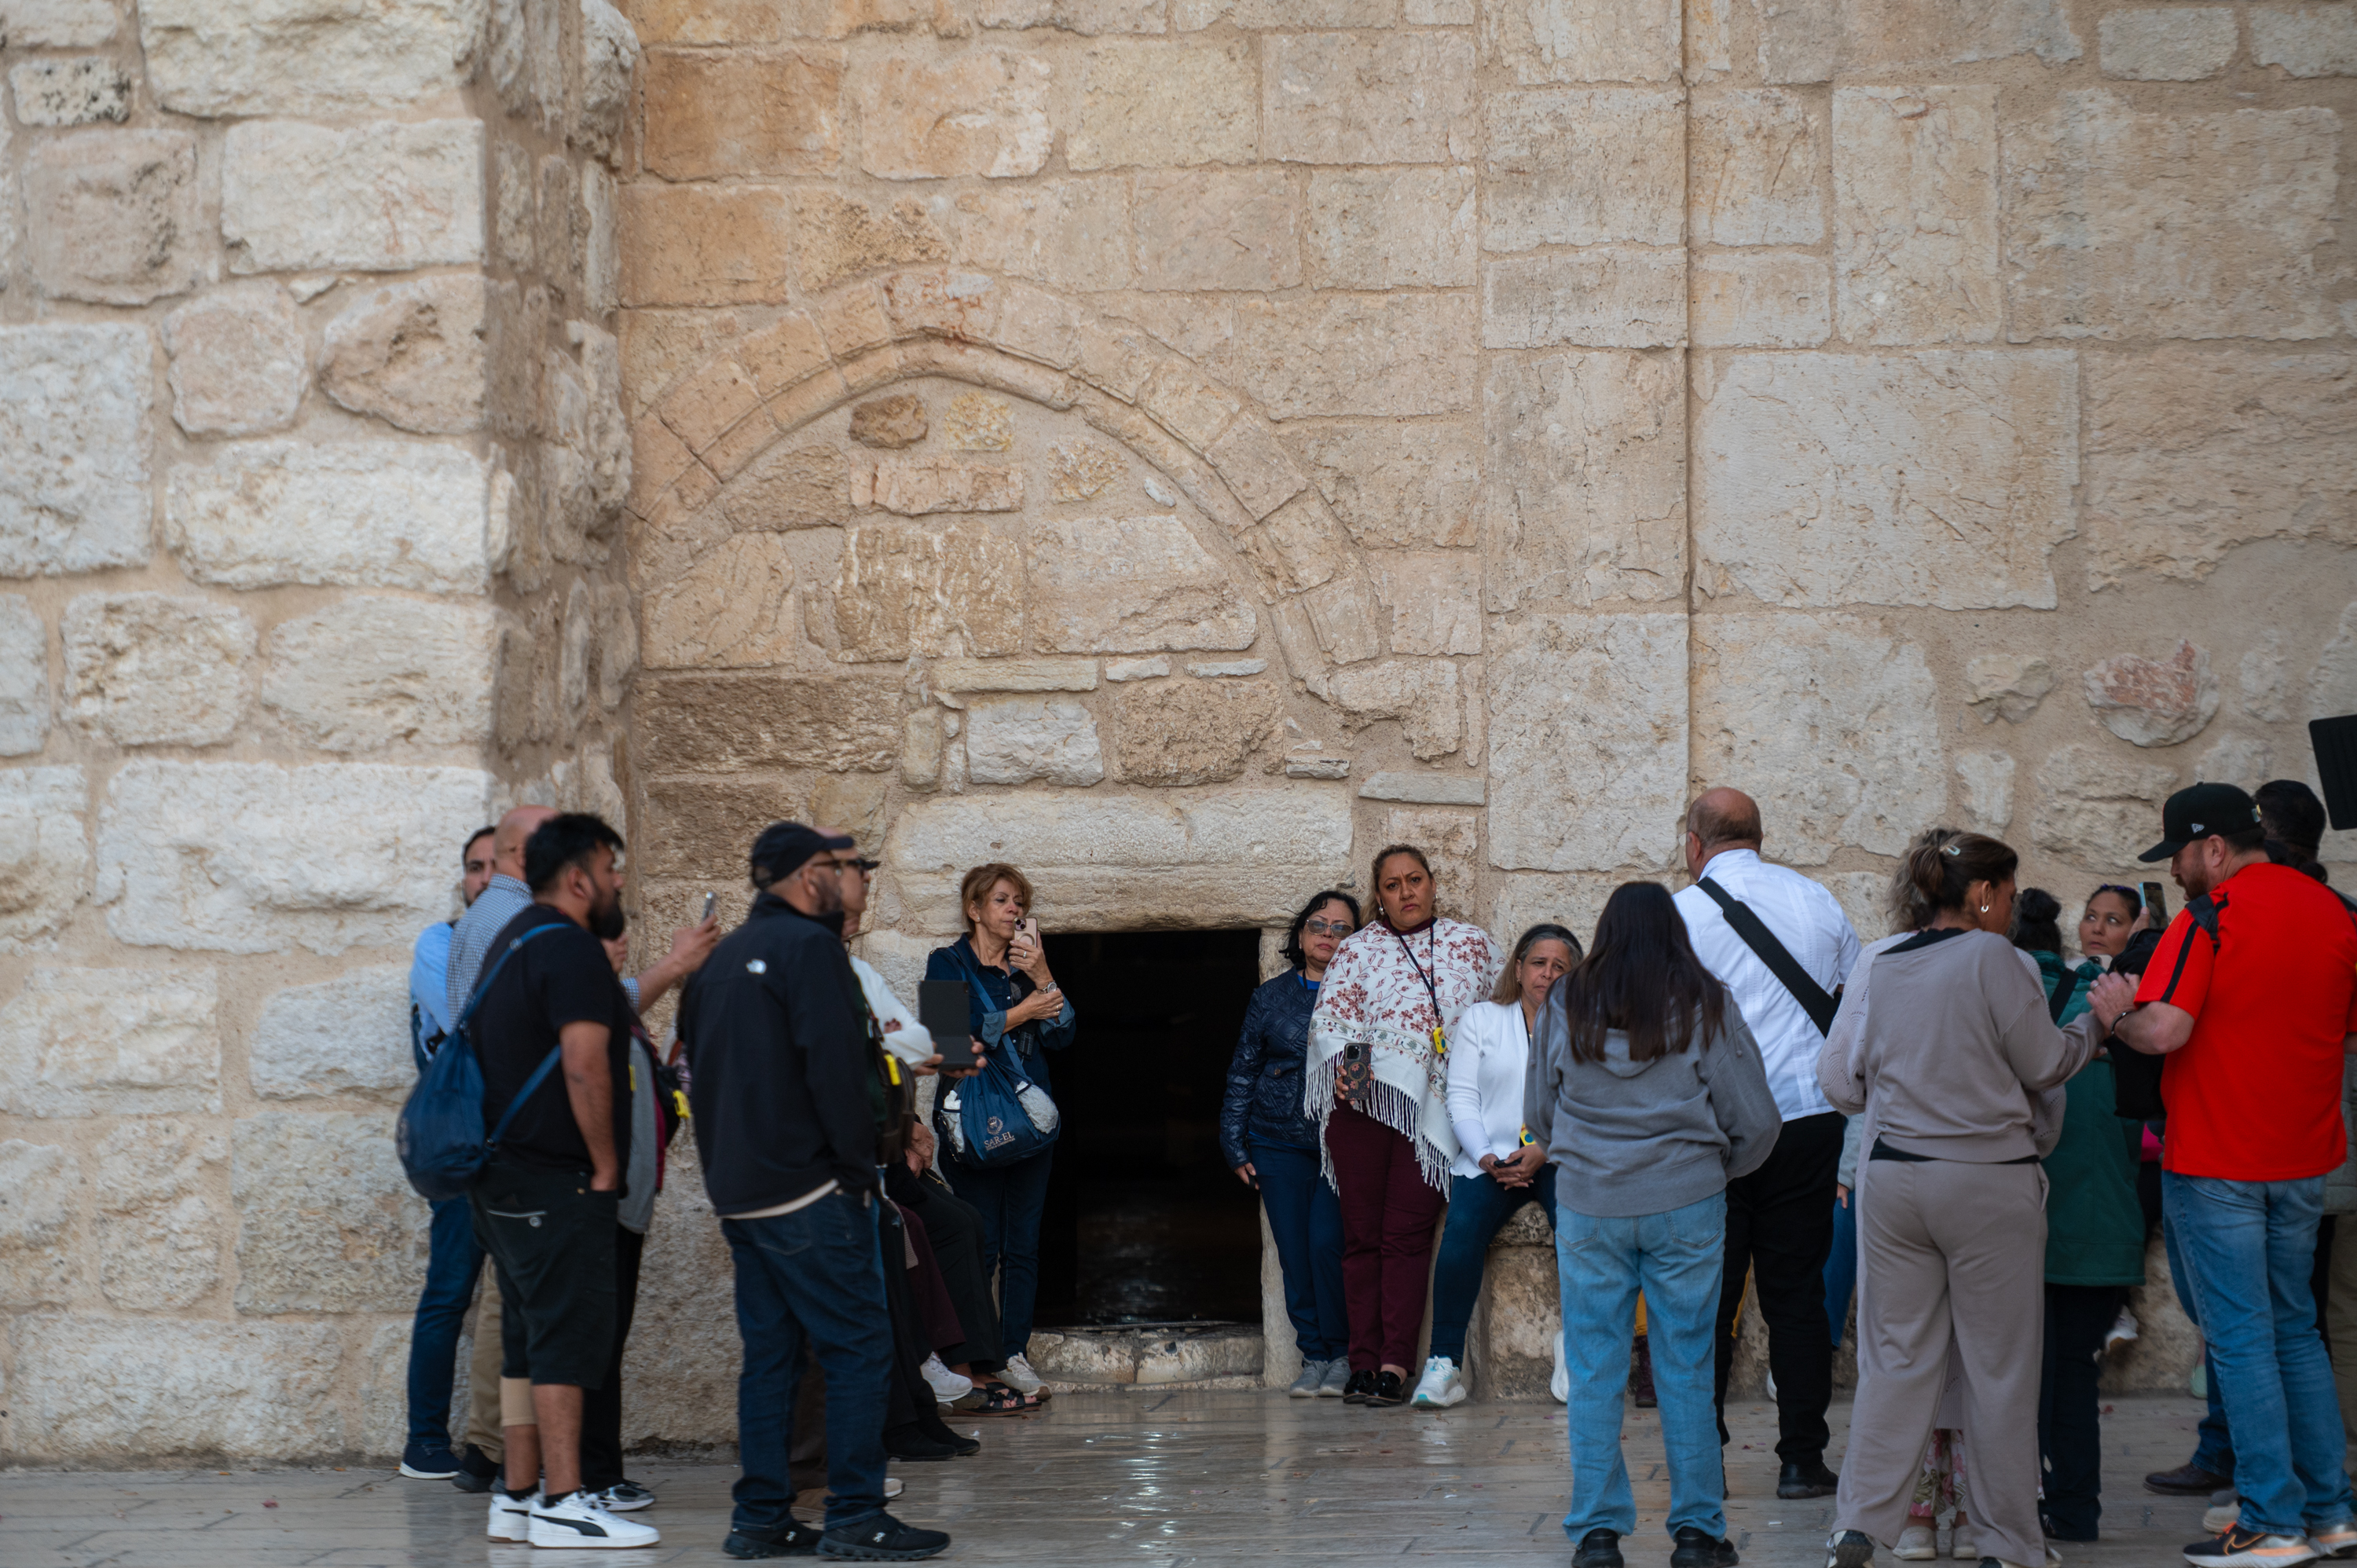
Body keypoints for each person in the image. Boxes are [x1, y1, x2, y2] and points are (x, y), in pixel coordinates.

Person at [1819, 829, 2105, 1568]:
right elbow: (2045, 1063)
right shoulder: (1995, 958)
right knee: (1999, 1369)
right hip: (1985, 1179)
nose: (2011, 907)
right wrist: (2096, 1024)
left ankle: (1858, 1524)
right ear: (1982, 894)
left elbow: (1842, 1080)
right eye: (2007, 893)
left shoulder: (1884, 963)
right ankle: (2005, 1540)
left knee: (1895, 1360)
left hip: (1894, 1179)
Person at [2090, 782, 2357, 1568]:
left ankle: (2271, 1520)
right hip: (2303, 1157)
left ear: (2213, 847)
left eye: (2178, 853)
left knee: (2239, 1340)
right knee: (2295, 1331)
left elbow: (2164, 1029)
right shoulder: (2335, 913)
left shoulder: (2208, 918)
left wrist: (2116, 1011)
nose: (2174, 871)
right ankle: (2330, 1512)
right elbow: (2346, 1036)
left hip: (2216, 1158)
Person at [680, 822, 950, 1563]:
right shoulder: (812, 950)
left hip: (742, 1194)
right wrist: (857, 1176)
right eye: (841, 867)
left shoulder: (721, 958)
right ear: (809, 877)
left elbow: (696, 1075)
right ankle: (855, 1514)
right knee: (858, 1347)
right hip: (812, 1191)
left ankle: (760, 1519)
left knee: (771, 1359)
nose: (850, 878)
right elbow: (836, 1074)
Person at [1527, 881, 1780, 1568]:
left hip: (1590, 1204)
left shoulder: (1564, 1002)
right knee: (1687, 1366)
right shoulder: (1707, 1002)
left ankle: (1597, 1535)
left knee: (1594, 1367)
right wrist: (1710, 1172)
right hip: (1687, 1203)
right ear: (1674, 930)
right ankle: (1697, 1533)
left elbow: (1540, 1113)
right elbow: (1757, 1121)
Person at [468, 813, 658, 1551]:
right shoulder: (572, 949)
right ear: (578, 879)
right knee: (565, 1340)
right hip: (557, 1180)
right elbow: (584, 1065)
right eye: (610, 869)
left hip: (503, 1176)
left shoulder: (512, 940)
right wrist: (606, 1166)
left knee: (526, 1339)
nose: (617, 882)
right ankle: (565, 1499)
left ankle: (516, 1497)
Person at [1672, 788, 1861, 1498]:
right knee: (1797, 1295)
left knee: (1706, 1300)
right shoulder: (1817, 901)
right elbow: (1854, 1005)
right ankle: (1802, 1461)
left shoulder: (1678, 915)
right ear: (1759, 837)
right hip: (1805, 1121)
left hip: (1711, 1129)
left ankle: (1705, 1462)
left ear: (1695, 844)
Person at [1309, 845, 1504, 1408]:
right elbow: (1333, 1021)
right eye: (1392, 885)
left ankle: (1394, 1364)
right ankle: (1362, 1362)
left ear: (1433, 884)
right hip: (1364, 1108)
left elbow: (1502, 1016)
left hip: (1436, 1110)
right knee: (1362, 1238)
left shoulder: (1472, 945)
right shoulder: (1358, 949)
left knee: (1407, 1236)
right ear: (1379, 897)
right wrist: (1360, 1083)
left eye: (1414, 880)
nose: (1406, 892)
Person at [2018, 888, 2146, 1544]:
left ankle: (2023, 1502)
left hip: (2032, 1220)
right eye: (2091, 917)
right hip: (2100, 1223)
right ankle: (2073, 1508)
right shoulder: (2116, 1012)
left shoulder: (2017, 1005)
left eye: (2112, 919)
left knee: (2022, 1372)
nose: (2097, 928)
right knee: (2071, 1370)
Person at [1413, 921, 1581, 1410]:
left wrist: (1544, 1148)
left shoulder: (1586, 1027)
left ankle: (1577, 1349)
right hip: (1490, 1158)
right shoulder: (1482, 1019)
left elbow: (1586, 1100)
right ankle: (1444, 1364)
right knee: (1461, 1231)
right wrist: (1486, 1156)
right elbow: (1462, 1097)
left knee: (1579, 1229)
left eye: (1560, 967)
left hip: (1560, 1156)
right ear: (1519, 968)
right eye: (1538, 963)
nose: (1547, 974)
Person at [923, 863, 1075, 1403]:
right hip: (971, 1120)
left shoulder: (1026, 968)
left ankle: (1013, 1353)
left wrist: (1042, 975)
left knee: (1023, 1244)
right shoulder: (946, 963)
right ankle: (974, 1361)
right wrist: (1020, 1012)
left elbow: (1063, 1034)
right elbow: (945, 1040)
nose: (1015, 910)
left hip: (1031, 1121)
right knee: (978, 1242)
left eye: (1020, 903)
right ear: (975, 909)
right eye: (1003, 900)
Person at [1222, 890, 1362, 1399]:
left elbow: (1363, 1080)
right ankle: (1314, 1355)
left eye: (1342, 928)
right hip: (1276, 1142)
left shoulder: (1362, 997)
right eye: (1318, 925)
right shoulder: (1269, 998)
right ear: (1301, 936)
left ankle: (1342, 1353)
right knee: (1294, 1256)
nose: (1328, 935)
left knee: (1326, 1244)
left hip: (1338, 1145)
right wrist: (1234, 1143)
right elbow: (1243, 1071)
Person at [397, 826, 496, 1482]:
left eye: (495, 867)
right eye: (473, 867)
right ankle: (425, 1441)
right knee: (450, 1290)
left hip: (520, 1143)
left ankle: (506, 1445)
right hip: (464, 1147)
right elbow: (471, 1017)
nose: (483, 878)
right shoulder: (439, 944)